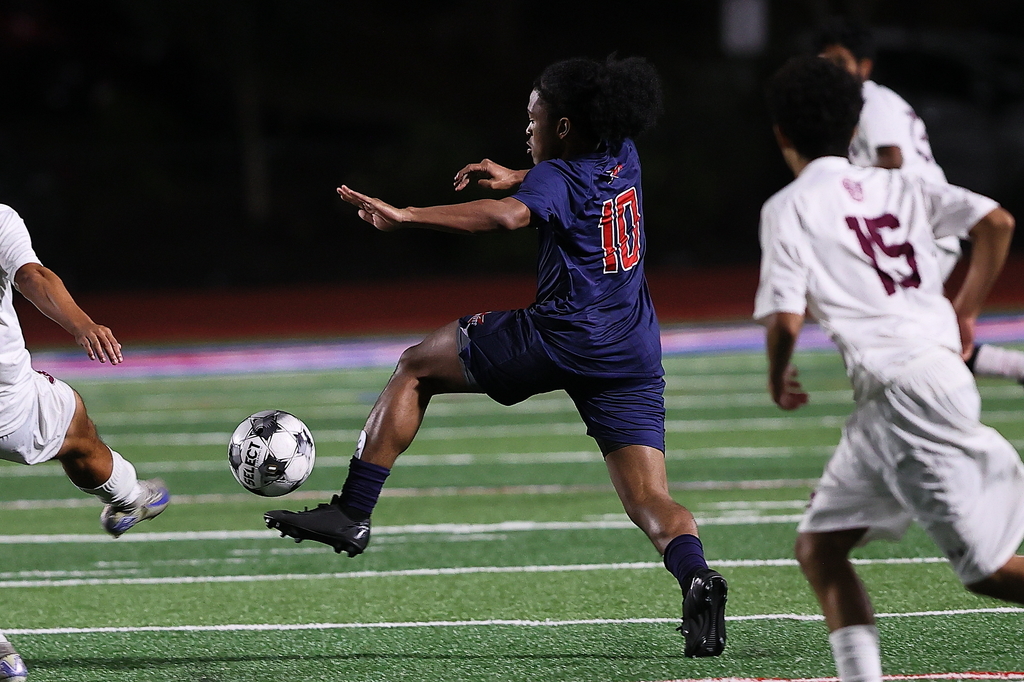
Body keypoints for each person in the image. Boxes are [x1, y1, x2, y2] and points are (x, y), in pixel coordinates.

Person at [265, 55, 728, 657]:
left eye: (534, 119)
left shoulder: (555, 179)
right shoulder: (623, 150)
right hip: (631, 348)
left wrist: (407, 215)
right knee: (648, 499)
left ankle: (352, 512)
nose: (527, 130)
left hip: (563, 336)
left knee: (415, 366)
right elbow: (559, 186)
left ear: (564, 127)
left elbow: (512, 216)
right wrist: (520, 175)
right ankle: (696, 576)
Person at [757, 55, 1024, 682]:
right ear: (854, 124)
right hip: (904, 392)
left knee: (987, 572)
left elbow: (786, 318)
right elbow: (997, 222)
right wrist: (966, 309)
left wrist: (778, 376)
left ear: (781, 135)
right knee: (820, 550)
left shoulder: (788, 206)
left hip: (905, 392)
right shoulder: (897, 184)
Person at [0, 204, 171, 682]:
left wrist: (79, 323)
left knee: (76, 431)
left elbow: (32, 276)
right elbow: (32, 276)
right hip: (6, 402)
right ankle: (130, 497)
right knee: (77, 433)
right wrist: (81, 324)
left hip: (9, 397)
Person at [816, 19, 1024, 385]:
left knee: (891, 337)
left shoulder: (869, 98)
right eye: (823, 63)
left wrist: (843, 192)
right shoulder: (860, 102)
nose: (829, 72)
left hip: (917, 226)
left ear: (864, 67)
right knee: (908, 337)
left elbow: (892, 158)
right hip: (912, 226)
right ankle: (1011, 368)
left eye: (838, 62)